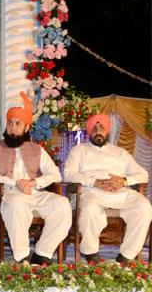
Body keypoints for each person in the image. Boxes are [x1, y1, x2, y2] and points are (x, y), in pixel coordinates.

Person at [0, 92, 70, 265]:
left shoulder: (37, 149)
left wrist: (34, 182)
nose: (13, 127)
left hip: (35, 193)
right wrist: (15, 182)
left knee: (63, 204)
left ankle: (42, 253)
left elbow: (55, 174)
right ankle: (22, 257)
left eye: (17, 123)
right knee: (16, 205)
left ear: (26, 128)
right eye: (10, 123)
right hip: (9, 193)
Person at [63, 113, 152, 264]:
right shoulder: (79, 150)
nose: (98, 132)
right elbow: (67, 174)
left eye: (102, 128)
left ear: (108, 131)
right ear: (89, 131)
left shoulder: (120, 153)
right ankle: (91, 253)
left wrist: (124, 181)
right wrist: (95, 181)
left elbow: (143, 175)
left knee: (144, 206)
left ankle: (126, 256)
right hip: (91, 191)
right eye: (94, 128)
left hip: (119, 191)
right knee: (90, 208)